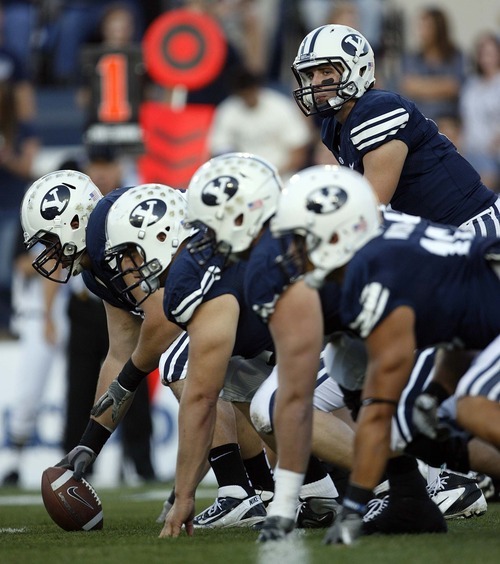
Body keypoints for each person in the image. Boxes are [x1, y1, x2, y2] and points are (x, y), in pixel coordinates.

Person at [98, 153, 349, 537]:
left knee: (269, 403)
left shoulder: (191, 276)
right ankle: (323, 492)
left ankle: (407, 478)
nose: (129, 269)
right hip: (343, 332)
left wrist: (183, 495)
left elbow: (200, 397)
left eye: (131, 253)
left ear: (161, 235)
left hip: (362, 326)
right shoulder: (219, 252)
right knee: (251, 383)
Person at [20, 171, 274, 527]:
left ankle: (236, 491)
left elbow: (163, 322)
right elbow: (119, 353)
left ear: (73, 220)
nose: (48, 255)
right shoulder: (97, 268)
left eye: (48, 241)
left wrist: (131, 377)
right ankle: (263, 489)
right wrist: (89, 444)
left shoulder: (110, 235)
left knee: (182, 364)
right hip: (231, 288)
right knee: (228, 376)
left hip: (244, 274)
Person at [268, 164, 500, 544]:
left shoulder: (380, 275)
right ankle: (412, 503)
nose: (294, 251)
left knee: (466, 407)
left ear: (338, 233)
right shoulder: (387, 246)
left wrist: (354, 507)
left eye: (302, 238)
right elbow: (461, 327)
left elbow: (378, 411)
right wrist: (439, 391)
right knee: (426, 418)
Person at [291, 24, 500, 235]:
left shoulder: (377, 110)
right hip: (437, 235)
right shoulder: (333, 126)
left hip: (474, 224)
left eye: (325, 71)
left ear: (358, 69)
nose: (315, 83)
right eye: (310, 74)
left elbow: (369, 210)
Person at [208, 67, 312, 182]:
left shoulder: (281, 106)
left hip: (281, 178)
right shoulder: (227, 111)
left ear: (257, 88)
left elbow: (298, 151)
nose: (248, 98)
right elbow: (219, 150)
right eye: (243, 95)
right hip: (243, 180)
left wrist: (270, 175)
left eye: (250, 93)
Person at [398, 7, 465, 123]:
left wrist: (420, 86)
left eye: (426, 27)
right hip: (417, 120)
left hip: (447, 121)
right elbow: (408, 85)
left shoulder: (455, 56)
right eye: (420, 26)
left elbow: (454, 86)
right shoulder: (412, 58)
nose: (421, 32)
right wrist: (441, 86)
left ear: (438, 29)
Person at [459, 32, 500, 193]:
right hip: (468, 149)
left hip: (492, 153)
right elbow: (465, 118)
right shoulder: (471, 85)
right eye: (481, 53)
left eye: (490, 53)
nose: (485, 58)